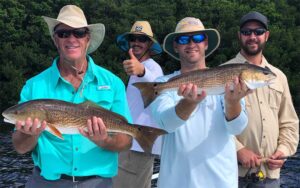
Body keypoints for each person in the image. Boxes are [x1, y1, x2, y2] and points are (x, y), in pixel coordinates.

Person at [12, 5, 132, 188]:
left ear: (87, 38)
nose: (71, 39)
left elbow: (126, 142)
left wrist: (104, 140)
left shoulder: (113, 83)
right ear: (55, 40)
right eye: (63, 33)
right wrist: (30, 135)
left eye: (79, 33)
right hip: (45, 182)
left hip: (98, 183)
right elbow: (20, 147)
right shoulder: (33, 86)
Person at [151, 17, 250, 188]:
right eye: (183, 39)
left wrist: (233, 103)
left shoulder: (230, 80)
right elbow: (165, 123)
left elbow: (237, 128)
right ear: (176, 46)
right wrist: (188, 103)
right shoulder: (163, 82)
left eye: (197, 38)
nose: (191, 44)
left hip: (221, 182)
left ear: (206, 43)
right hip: (175, 183)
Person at [224, 11, 299, 188]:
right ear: (239, 35)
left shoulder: (278, 76)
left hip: (271, 176)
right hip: (231, 173)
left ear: (266, 35)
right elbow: (211, 124)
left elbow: (290, 123)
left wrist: (283, 151)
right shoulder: (220, 72)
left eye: (258, 31)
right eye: (246, 32)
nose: (252, 36)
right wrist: (238, 150)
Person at [112, 21, 163, 188]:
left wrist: (141, 70)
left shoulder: (152, 68)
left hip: (137, 149)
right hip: (129, 145)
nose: (136, 42)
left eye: (142, 39)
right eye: (133, 38)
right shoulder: (136, 72)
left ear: (149, 44)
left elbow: (157, 83)